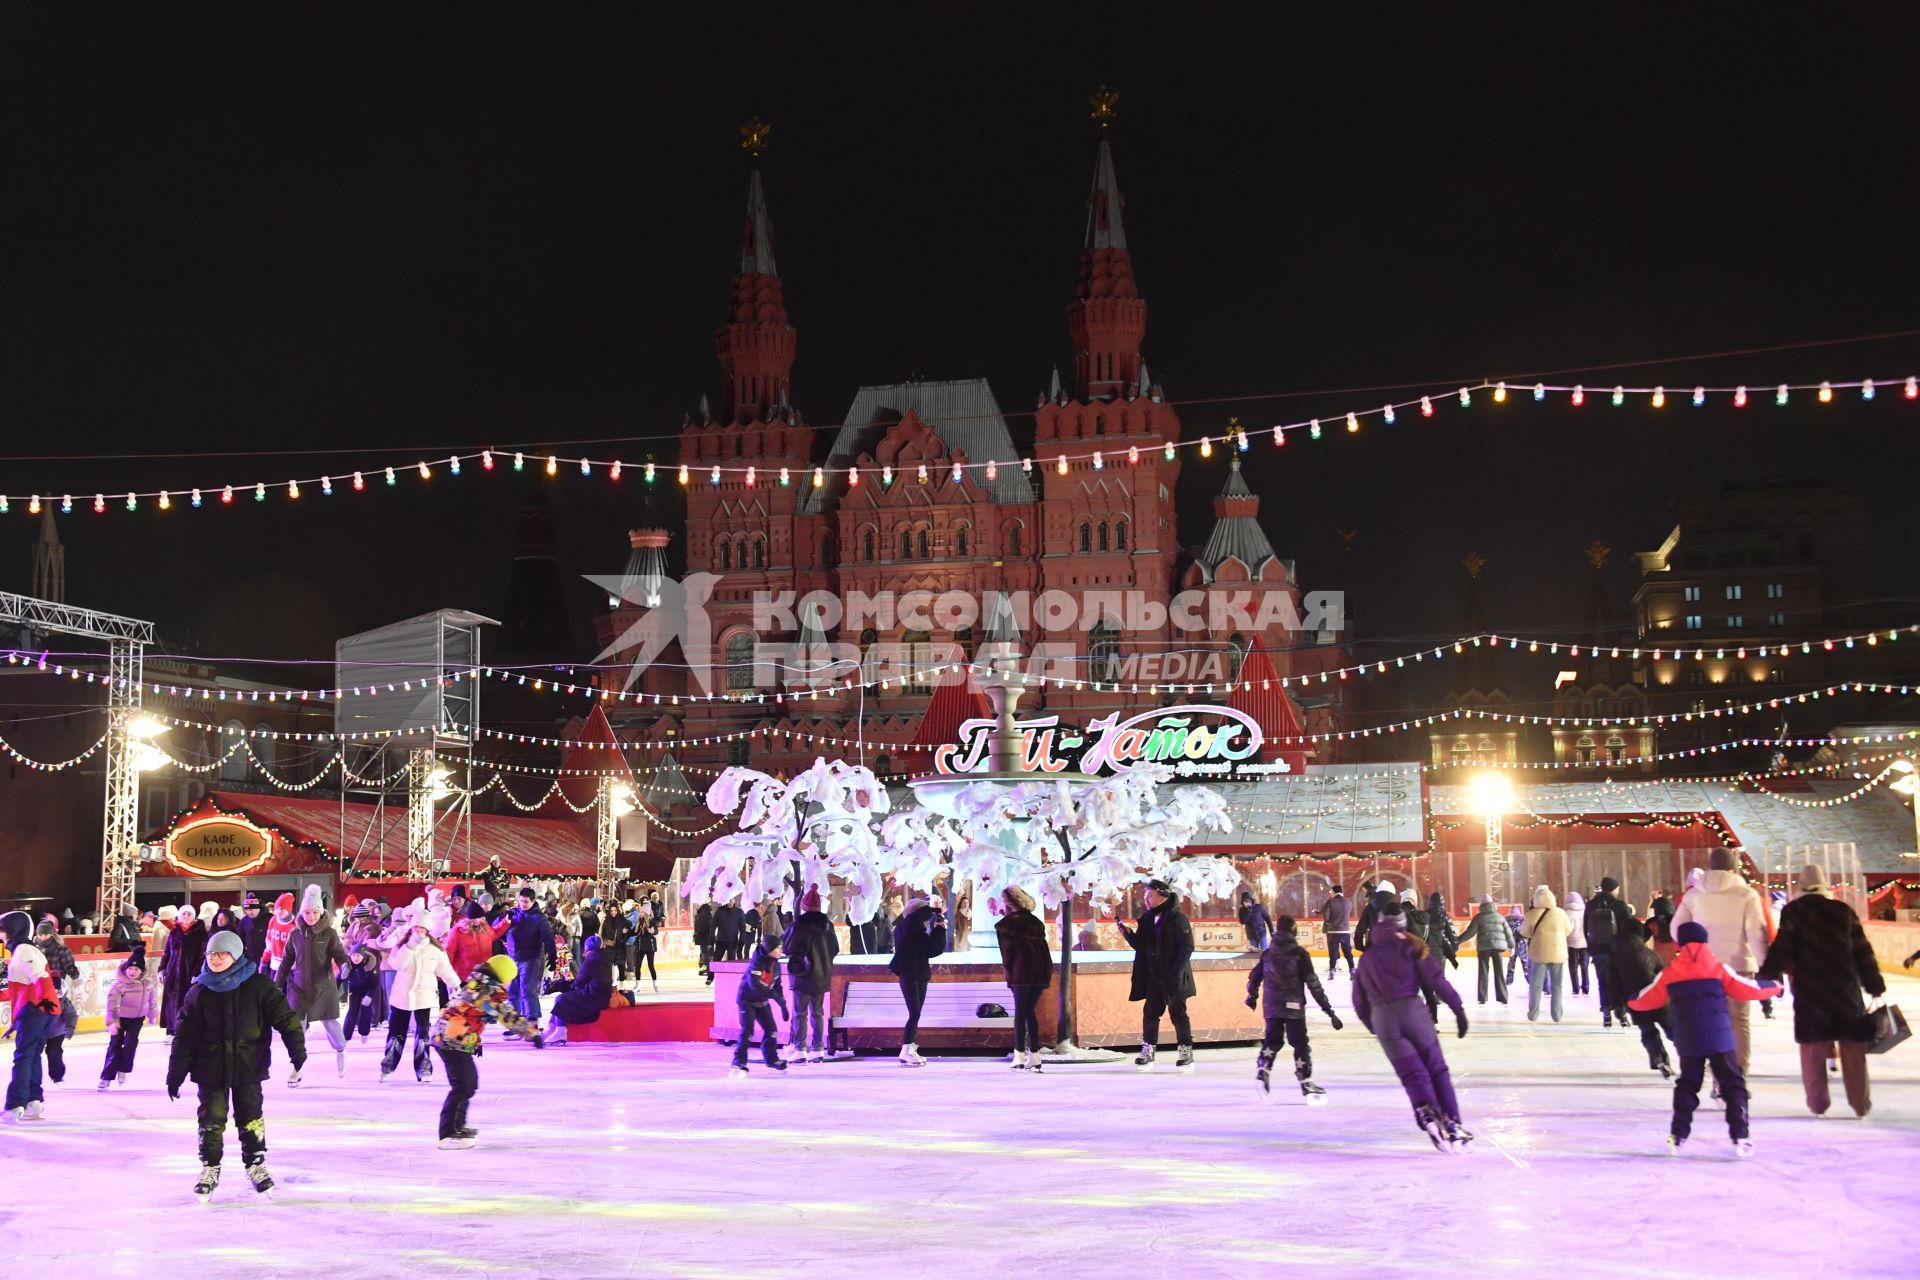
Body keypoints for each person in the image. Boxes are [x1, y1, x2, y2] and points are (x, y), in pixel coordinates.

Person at [166, 930, 306, 1200]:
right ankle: (210, 1167)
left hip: (248, 1065)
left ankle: (256, 1164)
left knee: (250, 1115)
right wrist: (175, 1074)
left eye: (222, 954)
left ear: (237, 954)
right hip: (210, 1068)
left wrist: (297, 1051)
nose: (215, 959)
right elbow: (184, 1037)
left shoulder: (259, 986)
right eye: (211, 954)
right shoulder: (199, 991)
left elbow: (286, 1019)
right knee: (211, 1119)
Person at [1629, 920, 1782, 1158]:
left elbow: (1649, 999)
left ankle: (1678, 1135)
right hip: (1720, 1040)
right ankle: (1741, 1135)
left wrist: (1631, 1000)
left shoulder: (1671, 971)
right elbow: (1748, 988)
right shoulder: (1718, 968)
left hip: (1689, 1041)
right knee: (1733, 1085)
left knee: (1688, 1085)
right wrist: (1773, 987)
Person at [1756, 864, 1885, 1118]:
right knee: (1853, 1049)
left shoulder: (1794, 911)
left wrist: (1767, 973)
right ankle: (1860, 1104)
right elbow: (1862, 951)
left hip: (1811, 993)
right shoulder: (1843, 911)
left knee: (1813, 1050)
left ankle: (1818, 1104)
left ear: (1801, 887)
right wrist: (1875, 985)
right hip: (1846, 991)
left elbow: (1783, 947)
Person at [1353, 897, 1472, 1152]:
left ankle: (1426, 1112)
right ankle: (1452, 1123)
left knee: (1412, 1074)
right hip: (1412, 1012)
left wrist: (1373, 1025)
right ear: (1403, 924)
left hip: (1383, 1020)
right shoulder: (1410, 946)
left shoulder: (1367, 958)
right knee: (1436, 1069)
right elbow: (1436, 980)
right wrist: (1458, 1009)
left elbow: (1358, 1000)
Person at [1670, 849, 1771, 1073]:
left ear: (1709, 866)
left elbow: (1676, 929)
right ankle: (1738, 1069)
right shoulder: (1747, 894)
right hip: (1738, 966)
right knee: (1739, 1020)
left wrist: (1693, 951)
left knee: (1708, 1017)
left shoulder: (1694, 895)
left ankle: (1714, 1067)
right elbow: (1756, 933)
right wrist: (1765, 965)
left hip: (1704, 969)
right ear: (1734, 868)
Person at [431, 954, 542, 1149]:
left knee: (467, 1083)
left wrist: (474, 1040)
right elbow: (508, 1016)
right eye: (509, 979)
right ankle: (448, 1133)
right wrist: (532, 1034)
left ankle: (458, 1125)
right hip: (451, 1039)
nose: (509, 983)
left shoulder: (477, 983)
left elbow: (468, 1012)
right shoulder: (490, 991)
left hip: (449, 1036)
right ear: (503, 975)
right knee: (464, 1085)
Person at [1245, 913, 1342, 1102]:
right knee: (1299, 1044)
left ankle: (1263, 1068)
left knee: (1273, 1041)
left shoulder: (1268, 954)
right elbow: (1314, 984)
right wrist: (1329, 1011)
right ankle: (1306, 1081)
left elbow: (1254, 977)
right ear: (1293, 930)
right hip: (1293, 1007)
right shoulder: (1299, 954)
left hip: (1271, 1006)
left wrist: (1252, 996)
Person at [1120, 879, 1197, 1073]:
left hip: (1174, 977)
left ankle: (1186, 1052)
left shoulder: (1178, 919)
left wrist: (1175, 974)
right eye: (1145, 896)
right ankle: (1148, 1051)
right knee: (1150, 1013)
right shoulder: (1147, 919)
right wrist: (1128, 934)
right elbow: (1142, 946)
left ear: (1161, 896)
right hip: (1154, 976)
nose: (1145, 899)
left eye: (1149, 895)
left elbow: (1187, 947)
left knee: (1178, 1014)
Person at [275, 885, 351, 1081]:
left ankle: (341, 1052)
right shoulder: (295, 934)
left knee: (331, 1024)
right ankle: (298, 1066)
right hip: (298, 988)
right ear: (302, 913)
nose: (311, 916)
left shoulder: (329, 934)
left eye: (315, 912)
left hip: (323, 987)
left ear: (321, 912)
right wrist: (277, 984)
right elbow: (286, 961)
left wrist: (345, 966)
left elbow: (340, 955)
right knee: (296, 1029)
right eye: (307, 912)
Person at [383, 910, 459, 1084]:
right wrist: (410, 947)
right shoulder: (402, 946)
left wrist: (455, 983)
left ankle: (423, 1067)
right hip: (401, 997)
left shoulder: (435, 949)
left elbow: (445, 969)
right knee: (396, 1033)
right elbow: (397, 964)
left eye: (422, 928)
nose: (418, 931)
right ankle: (388, 1065)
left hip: (423, 998)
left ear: (428, 930)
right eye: (415, 927)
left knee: (422, 1034)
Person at [994, 886, 1053, 1071]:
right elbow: (1043, 949)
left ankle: (1019, 1054)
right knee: (1029, 1012)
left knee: (1020, 1012)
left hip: (1021, 971)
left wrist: (1009, 974)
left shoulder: (1006, 925)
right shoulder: (1035, 922)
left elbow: (1007, 954)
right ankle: (1034, 1055)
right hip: (1040, 970)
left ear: (1009, 903)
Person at [1610, 915, 1676, 1078]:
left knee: (1648, 1032)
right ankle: (1691, 1053)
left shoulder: (1615, 955)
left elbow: (1613, 984)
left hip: (1636, 1000)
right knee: (1671, 1028)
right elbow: (1663, 973)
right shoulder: (1647, 952)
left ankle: (1659, 1058)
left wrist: (1618, 1006)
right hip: (1656, 995)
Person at [5, 934, 60, 1123]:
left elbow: (40, 977)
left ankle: (14, 1105)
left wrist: (43, 1006)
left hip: (36, 1008)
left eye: (3, 930)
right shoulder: (27, 950)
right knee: (32, 1055)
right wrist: (15, 1022)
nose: (1, 935)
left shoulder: (24, 950)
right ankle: (33, 1102)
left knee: (23, 1056)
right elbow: (20, 990)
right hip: (37, 1009)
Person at [889, 893, 948, 1066]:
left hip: (920, 975)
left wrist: (939, 926)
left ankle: (908, 1048)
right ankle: (906, 1049)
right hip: (910, 975)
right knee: (914, 1013)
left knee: (916, 1013)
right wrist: (933, 909)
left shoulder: (918, 930)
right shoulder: (904, 926)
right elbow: (916, 917)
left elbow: (933, 950)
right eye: (924, 912)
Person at [783, 888, 839, 1063]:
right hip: (822, 976)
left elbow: (787, 947)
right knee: (818, 1013)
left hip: (802, 975)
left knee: (800, 1013)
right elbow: (835, 949)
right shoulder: (828, 925)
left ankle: (800, 1048)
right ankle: (818, 1048)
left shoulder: (799, 924)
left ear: (804, 906)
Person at [729, 933, 790, 1078]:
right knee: (747, 1031)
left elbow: (777, 986)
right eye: (778, 948)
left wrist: (783, 1004)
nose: (781, 951)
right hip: (747, 1000)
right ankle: (738, 1062)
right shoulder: (757, 963)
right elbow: (755, 986)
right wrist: (775, 997)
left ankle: (772, 1059)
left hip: (762, 1001)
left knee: (771, 1030)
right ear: (770, 949)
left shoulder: (776, 965)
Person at [99, 954, 159, 1089]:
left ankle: (123, 1070)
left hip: (137, 1019)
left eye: (136, 969)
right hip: (120, 1019)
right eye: (130, 968)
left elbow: (152, 1002)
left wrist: (152, 1015)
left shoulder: (147, 985)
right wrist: (112, 1022)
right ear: (125, 969)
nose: (132, 972)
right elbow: (112, 1004)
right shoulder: (119, 985)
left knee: (130, 1044)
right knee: (115, 1045)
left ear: (142, 971)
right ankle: (106, 1077)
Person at [32, 918, 80, 1086]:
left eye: (45, 934)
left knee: (53, 1050)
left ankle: (57, 1075)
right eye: (40, 934)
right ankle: (33, 1078)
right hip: (37, 992)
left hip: (57, 988)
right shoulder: (32, 948)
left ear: (51, 934)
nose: (42, 937)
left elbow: (70, 966)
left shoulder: (60, 949)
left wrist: (75, 976)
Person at [1584, 877, 1635, 1029]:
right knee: (1619, 981)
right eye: (1617, 888)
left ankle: (1606, 1012)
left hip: (1598, 950)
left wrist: (1590, 947)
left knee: (1603, 982)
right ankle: (1622, 1013)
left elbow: (1585, 928)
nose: (1618, 891)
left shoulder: (1591, 905)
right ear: (1613, 889)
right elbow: (1629, 927)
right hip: (1618, 950)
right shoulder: (1620, 905)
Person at [545, 936, 616, 1046]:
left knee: (561, 999)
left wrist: (559, 986)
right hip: (602, 996)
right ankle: (552, 1028)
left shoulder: (591, 960)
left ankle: (560, 1031)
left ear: (587, 948)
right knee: (566, 997)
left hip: (593, 998)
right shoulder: (604, 958)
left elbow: (577, 983)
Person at [1520, 887, 1571, 1024]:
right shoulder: (1561, 913)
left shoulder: (1531, 914)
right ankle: (1557, 1014)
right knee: (1557, 985)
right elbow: (1568, 930)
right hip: (1558, 953)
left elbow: (1524, 932)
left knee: (1536, 986)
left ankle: (1533, 1013)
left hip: (1538, 954)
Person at [159, 904, 209, 1034]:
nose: (186, 916)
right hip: (173, 974)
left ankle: (185, 1030)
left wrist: (196, 972)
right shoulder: (174, 932)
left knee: (188, 1001)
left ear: (194, 916)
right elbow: (166, 953)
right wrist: (162, 969)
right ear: (179, 916)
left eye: (189, 914)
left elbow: (203, 955)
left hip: (189, 974)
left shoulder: (200, 933)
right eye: (183, 914)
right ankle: (171, 1030)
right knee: (171, 1002)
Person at [507, 887, 555, 1021]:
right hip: (512, 958)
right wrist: (503, 919)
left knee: (527, 990)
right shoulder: (513, 913)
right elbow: (497, 928)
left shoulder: (539, 918)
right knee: (512, 991)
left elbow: (548, 937)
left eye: (526, 902)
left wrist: (552, 956)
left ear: (533, 901)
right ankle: (515, 1021)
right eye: (521, 901)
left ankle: (533, 1019)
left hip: (530, 958)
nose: (523, 904)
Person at [1453, 896, 1511, 1004]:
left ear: (1482, 906)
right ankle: (1503, 997)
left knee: (1483, 973)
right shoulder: (1500, 917)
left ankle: (1483, 998)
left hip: (1484, 948)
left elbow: (1470, 932)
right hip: (1498, 947)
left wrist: (1457, 940)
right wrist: (1511, 943)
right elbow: (1507, 931)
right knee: (1499, 972)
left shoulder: (1479, 917)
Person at [446, 901, 509, 982]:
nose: (477, 921)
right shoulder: (457, 931)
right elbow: (449, 951)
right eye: (474, 918)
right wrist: (447, 974)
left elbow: (494, 934)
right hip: (464, 976)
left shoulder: (484, 927)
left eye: (479, 918)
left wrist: (506, 922)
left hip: (482, 974)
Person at [1321, 885, 1354, 977]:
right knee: (1347, 951)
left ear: (1333, 892)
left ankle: (1332, 970)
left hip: (1333, 931)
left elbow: (1326, 916)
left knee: (1333, 952)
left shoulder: (1330, 902)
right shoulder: (1348, 902)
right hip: (1345, 931)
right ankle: (1352, 969)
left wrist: (1329, 923)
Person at [262, 892, 297, 977]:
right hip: (275, 967)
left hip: (291, 969)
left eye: (281, 909)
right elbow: (269, 945)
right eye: (276, 908)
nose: (278, 911)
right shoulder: (273, 920)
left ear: (289, 909)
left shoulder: (296, 924)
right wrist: (264, 961)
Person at [1563, 890, 1591, 996]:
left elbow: (1567, 929)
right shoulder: (1586, 911)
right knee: (1585, 965)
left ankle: (1575, 988)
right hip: (1584, 941)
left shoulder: (1566, 913)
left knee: (1573, 966)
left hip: (1571, 942)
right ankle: (1586, 986)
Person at [633, 898, 660, 993]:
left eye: (641, 912)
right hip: (640, 946)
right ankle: (638, 985)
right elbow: (635, 932)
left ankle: (655, 983)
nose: (639, 913)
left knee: (650, 965)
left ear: (645, 913)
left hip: (649, 946)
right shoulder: (639, 922)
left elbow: (656, 930)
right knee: (637, 965)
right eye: (640, 912)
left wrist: (653, 931)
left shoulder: (651, 921)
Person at [714, 899, 744, 964]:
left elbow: (742, 927)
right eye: (728, 900)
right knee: (716, 960)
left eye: (731, 900)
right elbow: (713, 925)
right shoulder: (720, 911)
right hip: (721, 941)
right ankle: (712, 974)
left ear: (734, 901)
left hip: (733, 942)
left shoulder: (739, 912)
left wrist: (742, 939)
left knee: (731, 962)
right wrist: (712, 937)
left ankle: (730, 974)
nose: (730, 902)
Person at [693, 900, 715, 983]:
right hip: (704, 938)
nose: (696, 905)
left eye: (697, 903)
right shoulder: (703, 911)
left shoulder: (705, 912)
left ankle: (709, 970)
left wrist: (698, 932)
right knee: (704, 953)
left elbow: (704, 925)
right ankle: (707, 969)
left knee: (706, 954)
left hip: (705, 938)